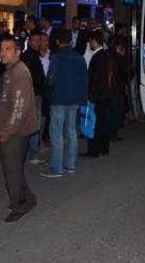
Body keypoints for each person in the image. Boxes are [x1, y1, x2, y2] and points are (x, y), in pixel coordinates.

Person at [0, 38, 38, 222]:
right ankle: (28, 199)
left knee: (12, 170)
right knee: (15, 168)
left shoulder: (19, 72)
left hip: (15, 131)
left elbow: (19, 106)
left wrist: (8, 131)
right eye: (1, 49)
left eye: (8, 49)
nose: (3, 52)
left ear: (18, 52)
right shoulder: (10, 71)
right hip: (11, 128)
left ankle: (19, 205)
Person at [42, 29, 88, 177]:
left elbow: (51, 79)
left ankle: (57, 168)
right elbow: (84, 78)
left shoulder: (55, 58)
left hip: (58, 99)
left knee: (56, 133)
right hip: (74, 99)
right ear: (71, 41)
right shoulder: (79, 57)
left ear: (56, 42)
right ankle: (70, 164)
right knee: (71, 131)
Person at [85, 30, 120, 157]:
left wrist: (91, 95)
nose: (89, 43)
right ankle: (104, 148)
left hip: (98, 95)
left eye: (89, 41)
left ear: (94, 41)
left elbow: (94, 79)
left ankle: (94, 150)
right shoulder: (107, 55)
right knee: (104, 122)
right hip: (107, 94)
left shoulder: (96, 57)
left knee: (95, 123)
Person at [20, 31, 46, 165]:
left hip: (34, 93)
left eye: (39, 40)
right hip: (32, 94)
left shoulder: (33, 56)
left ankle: (30, 153)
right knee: (33, 125)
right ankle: (32, 154)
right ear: (29, 42)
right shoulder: (29, 57)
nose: (37, 43)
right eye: (35, 40)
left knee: (31, 124)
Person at [109, 35, 129, 141]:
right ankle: (112, 133)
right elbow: (125, 73)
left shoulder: (107, 54)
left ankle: (109, 132)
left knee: (111, 110)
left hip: (108, 87)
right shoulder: (119, 57)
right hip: (116, 88)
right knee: (117, 111)